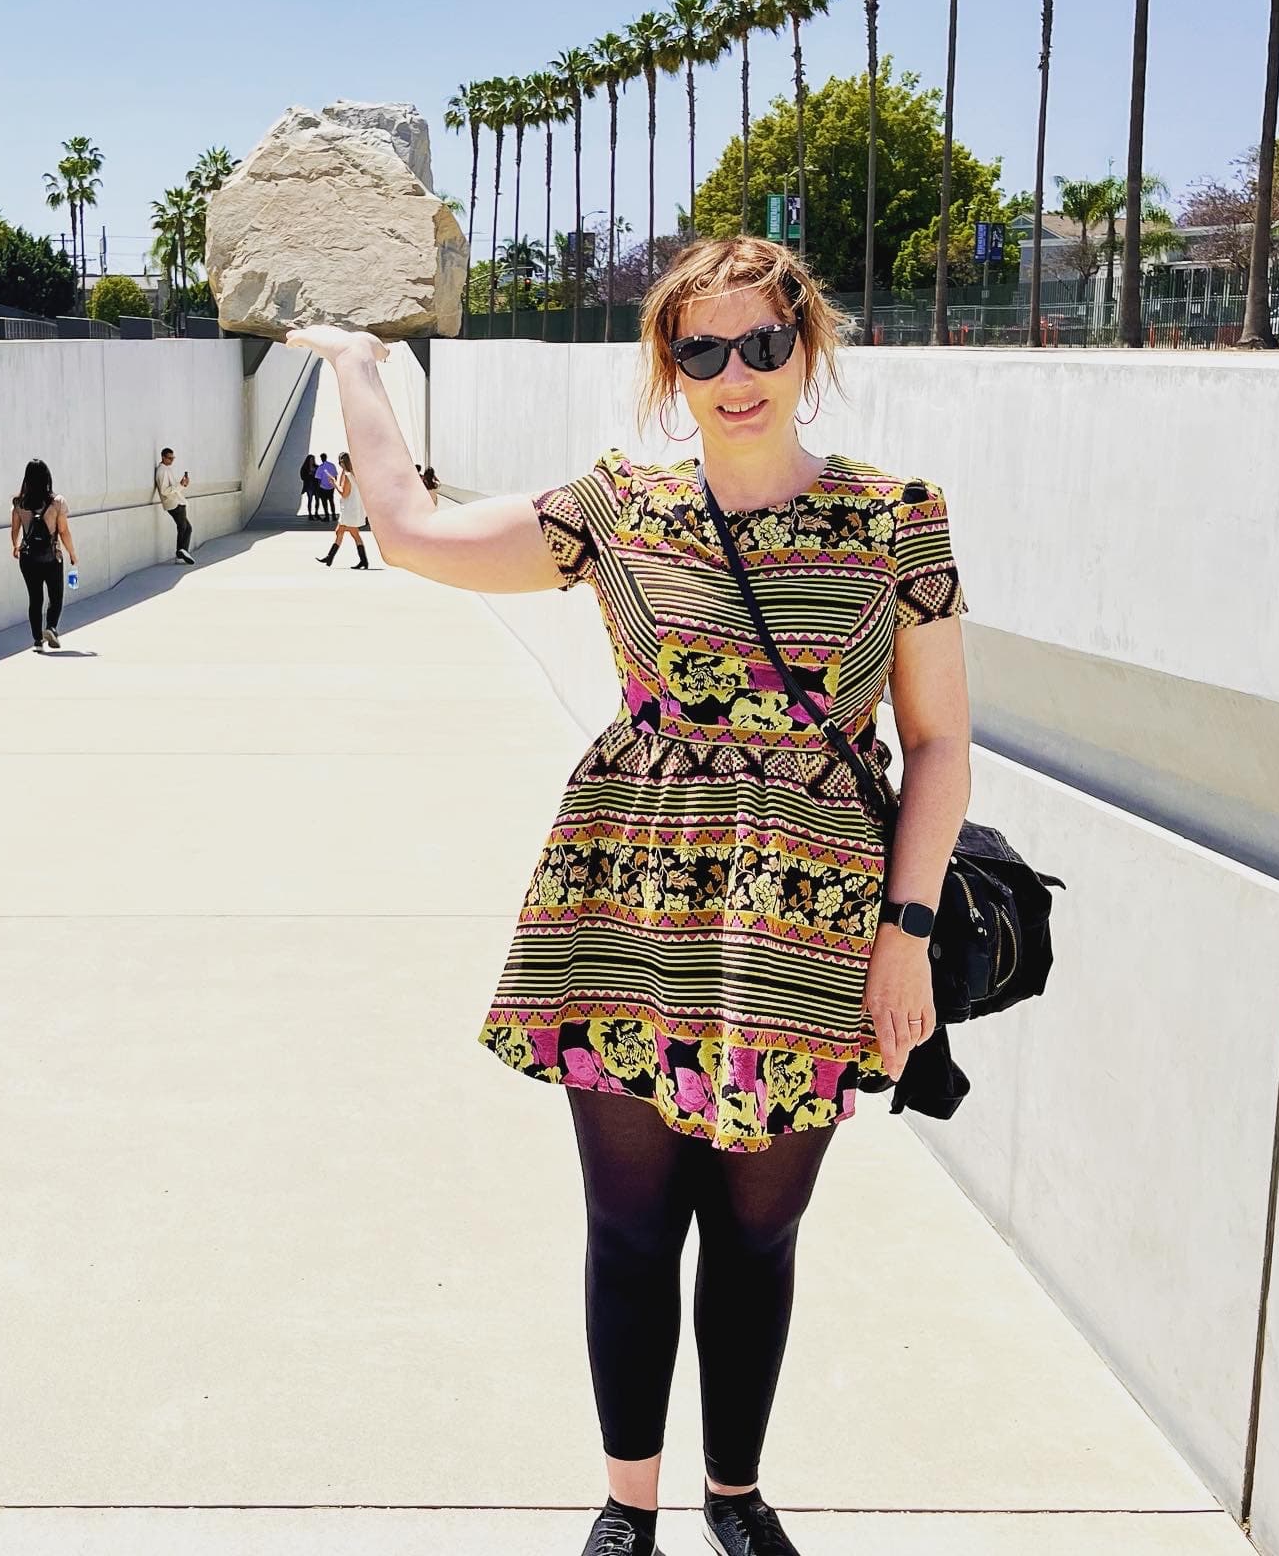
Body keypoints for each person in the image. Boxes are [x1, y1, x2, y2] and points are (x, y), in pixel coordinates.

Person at [287, 236, 971, 1556]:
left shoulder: (899, 518)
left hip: (812, 934)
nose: (736, 374)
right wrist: (363, 372)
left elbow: (937, 742)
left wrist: (910, 935)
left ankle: (734, 1493)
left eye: (763, 344)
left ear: (805, 348)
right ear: (670, 365)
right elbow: (417, 532)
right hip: (626, 921)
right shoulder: (618, 509)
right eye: (702, 349)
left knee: (760, 1235)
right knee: (630, 1225)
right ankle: (630, 1501)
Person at [10, 458, 78, 652]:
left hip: (28, 556)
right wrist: (72, 553)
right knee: (55, 596)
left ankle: (37, 640)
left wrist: (14, 546)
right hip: (52, 555)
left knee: (35, 598)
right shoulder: (57, 502)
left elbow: (14, 528)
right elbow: (64, 531)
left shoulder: (18, 503)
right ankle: (51, 628)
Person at [315, 451, 369, 569]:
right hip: (352, 509)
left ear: (341, 463)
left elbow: (344, 493)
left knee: (352, 534)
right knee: (340, 531)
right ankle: (330, 558)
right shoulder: (353, 474)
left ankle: (362, 560)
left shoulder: (348, 476)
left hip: (349, 510)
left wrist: (333, 483)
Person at [154, 446, 195, 564]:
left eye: (173, 458)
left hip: (177, 502)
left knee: (186, 528)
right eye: (169, 458)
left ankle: (181, 554)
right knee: (183, 527)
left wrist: (183, 485)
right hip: (174, 503)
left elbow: (174, 488)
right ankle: (180, 553)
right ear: (163, 457)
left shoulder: (167, 469)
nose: (171, 460)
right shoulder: (161, 471)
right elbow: (164, 491)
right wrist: (179, 485)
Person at [314, 452, 339, 524]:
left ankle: (327, 516)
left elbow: (318, 479)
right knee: (331, 501)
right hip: (331, 487)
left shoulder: (320, 467)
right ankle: (334, 515)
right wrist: (334, 484)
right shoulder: (332, 465)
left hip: (323, 487)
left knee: (324, 503)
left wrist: (318, 488)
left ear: (321, 458)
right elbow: (335, 475)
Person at [300, 452, 322, 518]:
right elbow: (302, 476)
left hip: (316, 486)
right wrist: (309, 475)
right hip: (309, 486)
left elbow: (320, 475)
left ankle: (316, 513)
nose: (312, 461)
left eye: (313, 459)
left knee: (317, 499)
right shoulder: (304, 468)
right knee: (310, 499)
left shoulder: (317, 467)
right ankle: (310, 514)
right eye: (311, 460)